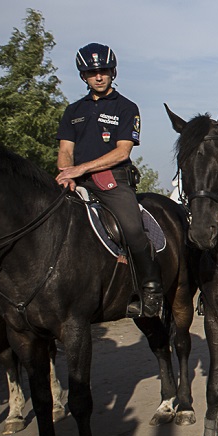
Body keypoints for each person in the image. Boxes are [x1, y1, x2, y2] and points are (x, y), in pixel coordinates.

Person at [56, 44, 161, 318]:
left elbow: (122, 151)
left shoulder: (127, 107)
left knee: (132, 227)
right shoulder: (73, 110)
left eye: (103, 71)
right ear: (83, 76)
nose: (98, 77)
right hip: (75, 182)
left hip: (112, 182)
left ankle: (151, 290)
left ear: (113, 72)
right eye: (91, 73)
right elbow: (65, 150)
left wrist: (80, 169)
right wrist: (67, 173)